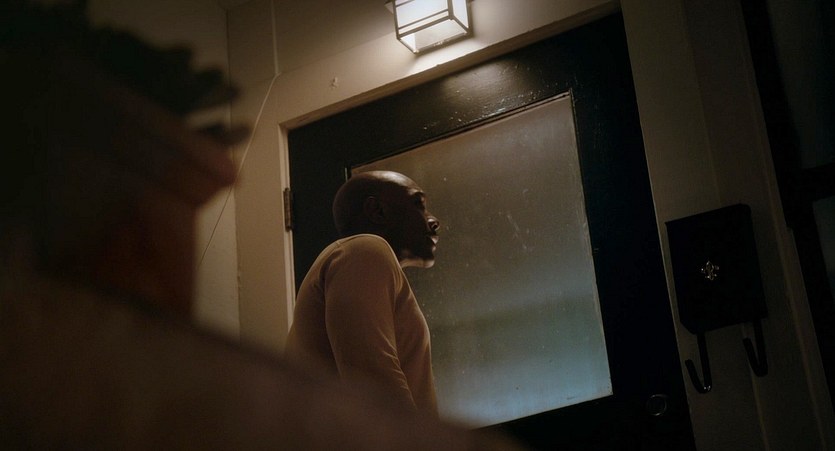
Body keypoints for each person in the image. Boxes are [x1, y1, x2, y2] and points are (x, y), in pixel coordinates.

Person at [285, 170, 441, 414]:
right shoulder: (365, 251)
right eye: (418, 204)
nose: (434, 221)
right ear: (376, 211)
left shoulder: (357, 260)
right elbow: (375, 387)